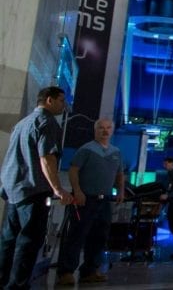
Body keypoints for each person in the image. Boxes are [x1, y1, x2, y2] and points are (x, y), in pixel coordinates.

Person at [0, 86, 73, 290]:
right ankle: (18, 285)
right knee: (28, 241)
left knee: (9, 240)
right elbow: (47, 158)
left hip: (14, 189)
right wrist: (58, 189)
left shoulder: (22, 123)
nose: (64, 105)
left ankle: (3, 280)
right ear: (49, 100)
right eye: (61, 100)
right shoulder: (47, 123)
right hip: (33, 190)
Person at [56, 118, 126, 286]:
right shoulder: (86, 149)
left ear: (112, 130)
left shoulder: (116, 152)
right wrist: (78, 191)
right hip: (86, 200)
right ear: (95, 130)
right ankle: (66, 272)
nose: (105, 131)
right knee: (77, 235)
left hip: (105, 200)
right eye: (101, 128)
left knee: (100, 236)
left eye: (108, 128)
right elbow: (73, 170)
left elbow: (119, 174)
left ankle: (90, 270)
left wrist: (121, 191)